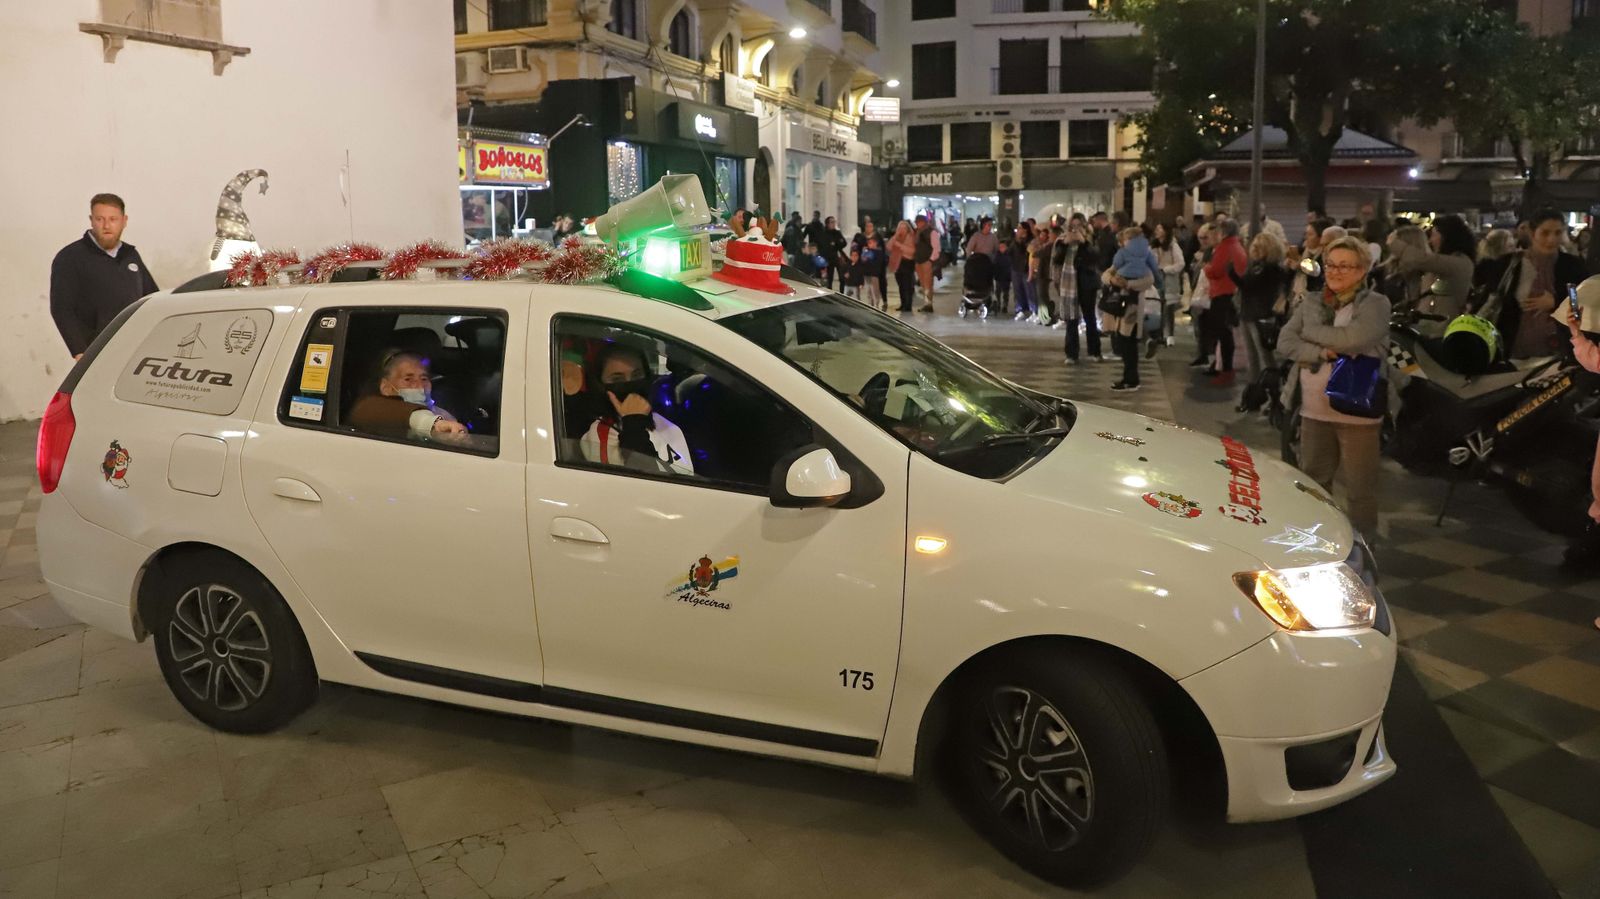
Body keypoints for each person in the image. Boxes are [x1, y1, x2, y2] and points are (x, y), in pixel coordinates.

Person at [1276, 236, 1391, 538]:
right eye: (1330, 264)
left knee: (1360, 489)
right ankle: (1316, 542)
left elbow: (1355, 339)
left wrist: (1311, 333)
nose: (1335, 272)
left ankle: (1364, 551)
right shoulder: (1312, 301)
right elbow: (1285, 342)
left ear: (1362, 270)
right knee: (1314, 483)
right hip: (1314, 409)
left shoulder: (1376, 304)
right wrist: (1319, 352)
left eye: (1345, 266)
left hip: (1357, 411)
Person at [50, 193, 160, 358]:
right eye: (100, 219)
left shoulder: (130, 255)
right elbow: (62, 309)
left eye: (113, 219)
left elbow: (152, 298)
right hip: (96, 351)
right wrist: (79, 352)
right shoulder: (70, 257)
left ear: (124, 221)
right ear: (91, 220)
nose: (106, 225)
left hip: (134, 349)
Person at [1473, 209, 1589, 360]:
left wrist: (1556, 302)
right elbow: (1490, 299)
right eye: (1545, 233)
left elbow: (1580, 301)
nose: (1551, 240)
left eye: (1557, 233)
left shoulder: (1572, 267)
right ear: (1533, 233)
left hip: (1562, 355)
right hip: (1513, 351)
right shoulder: (1510, 265)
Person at [579, 343, 693, 476]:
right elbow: (644, 487)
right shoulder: (600, 436)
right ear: (600, 385)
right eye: (617, 379)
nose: (630, 384)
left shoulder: (663, 422)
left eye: (637, 375)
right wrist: (633, 423)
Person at [347, 352, 469, 443]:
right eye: (408, 379)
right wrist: (433, 425)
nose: (420, 386)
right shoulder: (372, 411)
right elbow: (369, 409)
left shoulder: (445, 416)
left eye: (424, 379)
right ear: (386, 387)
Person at [1228, 231, 1291, 405]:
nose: (1253, 250)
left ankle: (1274, 393)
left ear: (1268, 249)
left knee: (1264, 356)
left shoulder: (1270, 269)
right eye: (1253, 246)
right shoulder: (1258, 266)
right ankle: (1254, 393)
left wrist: (1232, 274)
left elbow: (1249, 286)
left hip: (1260, 316)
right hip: (1249, 313)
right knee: (1252, 357)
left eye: (1258, 247)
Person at [1106, 225, 1159, 390]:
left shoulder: (1143, 257)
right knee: (1124, 341)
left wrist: (1128, 284)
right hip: (1120, 305)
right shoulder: (1123, 257)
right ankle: (1128, 377)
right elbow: (1107, 274)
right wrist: (1112, 280)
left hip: (1133, 305)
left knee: (1128, 342)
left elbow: (1149, 279)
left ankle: (1131, 379)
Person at [1201, 218, 1248, 385]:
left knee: (1223, 332)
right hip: (1230, 292)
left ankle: (1227, 369)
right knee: (1225, 332)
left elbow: (1216, 270)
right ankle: (1221, 365)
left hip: (1222, 292)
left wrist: (1206, 268)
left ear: (1224, 232)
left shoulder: (1225, 247)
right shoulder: (1237, 246)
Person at [1153, 222, 1186, 355]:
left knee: (1168, 309)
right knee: (1158, 308)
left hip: (1168, 280)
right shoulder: (1154, 246)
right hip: (1157, 281)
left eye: (1159, 228)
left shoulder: (1173, 245)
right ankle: (1159, 335)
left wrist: (1166, 269)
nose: (1157, 230)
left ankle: (1169, 337)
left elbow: (1180, 263)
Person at [889, 220, 917, 312]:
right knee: (900, 284)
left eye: (904, 228)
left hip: (907, 262)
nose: (902, 230)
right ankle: (903, 303)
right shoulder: (897, 237)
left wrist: (900, 246)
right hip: (898, 263)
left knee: (907, 285)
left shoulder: (911, 237)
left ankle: (908, 305)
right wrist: (895, 237)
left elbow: (912, 251)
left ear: (907, 229)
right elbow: (889, 247)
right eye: (900, 228)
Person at [913, 215, 940, 312]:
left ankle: (929, 304)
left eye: (919, 222)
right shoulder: (917, 232)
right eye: (916, 222)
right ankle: (926, 303)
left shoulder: (932, 232)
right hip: (919, 260)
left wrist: (930, 260)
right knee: (923, 283)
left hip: (927, 261)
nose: (917, 224)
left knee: (928, 283)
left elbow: (936, 248)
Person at [821, 216, 848, 290]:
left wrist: (835, 243)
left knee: (842, 277)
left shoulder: (837, 232)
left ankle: (842, 293)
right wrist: (836, 243)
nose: (833, 224)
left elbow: (843, 243)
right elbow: (825, 246)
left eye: (834, 222)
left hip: (838, 257)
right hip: (828, 259)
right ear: (827, 224)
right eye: (832, 222)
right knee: (829, 278)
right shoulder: (824, 233)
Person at [993, 237, 1014, 315]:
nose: (1001, 248)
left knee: (1006, 292)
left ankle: (1005, 305)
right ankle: (998, 304)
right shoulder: (997, 255)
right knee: (998, 291)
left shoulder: (1009, 255)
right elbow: (995, 265)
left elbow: (1010, 265)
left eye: (1003, 247)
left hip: (1006, 276)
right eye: (1000, 247)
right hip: (999, 275)